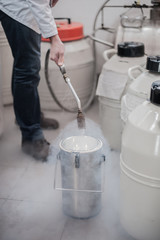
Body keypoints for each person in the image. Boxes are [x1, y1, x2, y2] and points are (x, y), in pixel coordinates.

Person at [0, 0, 65, 161]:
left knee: (26, 68)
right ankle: (31, 135)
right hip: (17, 8)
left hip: (28, 6)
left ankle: (30, 117)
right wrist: (54, 38)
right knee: (27, 71)